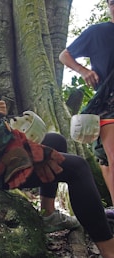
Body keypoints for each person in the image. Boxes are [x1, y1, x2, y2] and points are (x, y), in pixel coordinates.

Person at [0, 15, 114, 257]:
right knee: (77, 167)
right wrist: (4, 128)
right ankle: (110, 251)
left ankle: (48, 216)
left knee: (55, 140)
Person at [59, 0, 114, 219]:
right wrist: (83, 71)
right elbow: (64, 55)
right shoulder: (97, 32)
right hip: (106, 104)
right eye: (111, 1)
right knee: (106, 159)